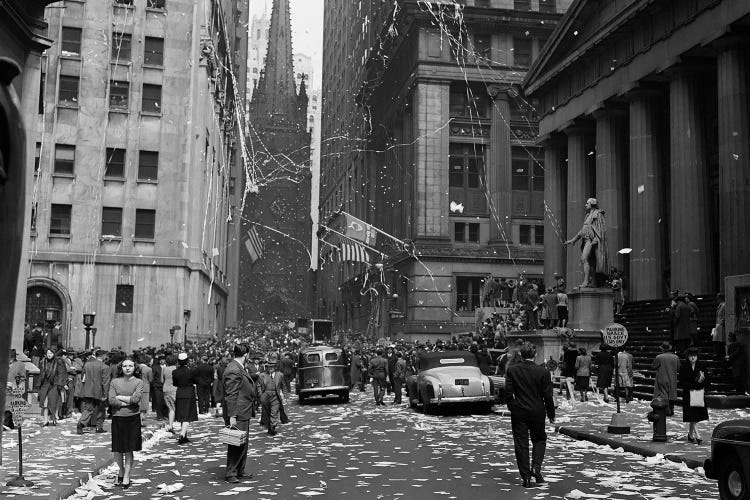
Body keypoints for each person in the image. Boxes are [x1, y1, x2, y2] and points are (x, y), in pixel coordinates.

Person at [505, 342, 555, 488]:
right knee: (539, 439)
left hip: (519, 410)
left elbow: (508, 392)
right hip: (538, 410)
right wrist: (551, 413)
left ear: (521, 354)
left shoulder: (513, 370)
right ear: (535, 354)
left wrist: (512, 407)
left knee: (521, 443)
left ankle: (525, 477)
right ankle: (536, 467)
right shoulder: (543, 372)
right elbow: (548, 396)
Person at [223, 343, 256, 483]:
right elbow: (231, 394)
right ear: (246, 354)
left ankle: (239, 470)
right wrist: (232, 416)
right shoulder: (234, 369)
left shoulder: (237, 367)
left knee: (242, 442)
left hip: (243, 411)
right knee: (236, 443)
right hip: (238, 412)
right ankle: (231, 473)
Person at [108, 357, 143, 489]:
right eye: (125, 366)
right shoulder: (115, 381)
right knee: (117, 450)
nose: (127, 368)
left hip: (133, 418)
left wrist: (120, 398)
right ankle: (121, 470)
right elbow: (111, 400)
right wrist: (127, 401)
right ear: (121, 368)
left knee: (128, 449)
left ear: (135, 368)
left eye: (130, 366)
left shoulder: (139, 382)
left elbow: (136, 399)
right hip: (118, 418)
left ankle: (126, 475)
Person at [564, 197, 608, 288]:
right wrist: (573, 240)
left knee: (584, 259)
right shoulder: (588, 216)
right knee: (591, 262)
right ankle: (593, 282)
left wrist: (597, 238)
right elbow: (583, 230)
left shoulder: (598, 214)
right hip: (586, 240)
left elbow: (601, 228)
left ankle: (586, 281)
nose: (585, 205)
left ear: (592, 204)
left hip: (591, 240)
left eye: (587, 203)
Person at [678, 347, 709, 444]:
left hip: (698, 393)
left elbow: (707, 379)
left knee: (695, 415)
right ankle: (698, 435)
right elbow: (681, 381)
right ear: (687, 357)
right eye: (691, 356)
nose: (692, 358)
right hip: (688, 393)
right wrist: (692, 385)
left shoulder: (702, 366)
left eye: (694, 356)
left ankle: (690, 434)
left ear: (697, 357)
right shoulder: (684, 367)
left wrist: (702, 381)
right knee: (692, 414)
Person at [78, 349, 111, 434]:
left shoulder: (87, 364)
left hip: (88, 390)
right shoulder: (105, 367)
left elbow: (83, 377)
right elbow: (105, 382)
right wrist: (106, 394)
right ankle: (99, 427)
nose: (107, 357)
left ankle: (81, 423)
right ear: (103, 356)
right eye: (106, 355)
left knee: (88, 409)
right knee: (101, 410)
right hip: (99, 392)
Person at [259, 354, 289, 435]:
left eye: (272, 366)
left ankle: (273, 426)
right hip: (265, 396)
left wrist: (285, 396)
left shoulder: (280, 375)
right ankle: (269, 426)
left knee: (274, 412)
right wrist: (260, 395)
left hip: (275, 396)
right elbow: (258, 386)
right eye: (269, 366)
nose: (270, 368)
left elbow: (283, 386)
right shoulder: (262, 375)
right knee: (267, 413)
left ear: (275, 367)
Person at [36, 348, 67, 427]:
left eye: (51, 353)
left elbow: (61, 374)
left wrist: (60, 384)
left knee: (53, 402)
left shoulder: (58, 362)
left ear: (54, 354)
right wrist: (38, 384)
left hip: (54, 384)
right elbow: (41, 374)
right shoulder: (43, 362)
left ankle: (54, 419)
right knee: (45, 404)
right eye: (48, 353)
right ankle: (45, 420)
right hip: (45, 384)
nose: (49, 355)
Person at [173, 352, 198, 444]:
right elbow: (195, 381)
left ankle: (184, 436)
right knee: (188, 415)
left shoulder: (175, 372)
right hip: (189, 393)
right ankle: (183, 434)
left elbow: (175, 383)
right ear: (187, 360)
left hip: (180, 393)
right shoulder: (191, 371)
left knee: (182, 415)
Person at [651, 342, 680, 415]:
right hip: (672, 378)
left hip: (662, 378)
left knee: (663, 393)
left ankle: (666, 410)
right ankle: (671, 408)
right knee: (672, 393)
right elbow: (679, 367)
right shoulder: (676, 357)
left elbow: (653, 366)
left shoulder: (659, 357)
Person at [162, 354, 178, 432]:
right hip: (174, 389)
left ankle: (170, 425)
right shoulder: (176, 368)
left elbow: (162, 380)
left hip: (165, 389)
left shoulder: (164, 369)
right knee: (176, 407)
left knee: (170, 409)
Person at [138, 354, 153, 427]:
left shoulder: (136, 367)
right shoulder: (148, 369)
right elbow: (150, 379)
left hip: (135, 387)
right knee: (143, 406)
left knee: (137, 404)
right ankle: (140, 421)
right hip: (145, 388)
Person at [151, 355, 166, 421]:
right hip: (157, 387)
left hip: (165, 387)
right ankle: (159, 416)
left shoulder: (167, 367)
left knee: (164, 402)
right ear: (159, 361)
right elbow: (153, 378)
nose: (162, 361)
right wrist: (154, 385)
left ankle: (165, 415)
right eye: (161, 360)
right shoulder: (155, 367)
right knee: (158, 401)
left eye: (163, 359)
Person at [714, 293, 726, 361]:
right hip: (718, 324)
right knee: (716, 339)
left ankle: (720, 353)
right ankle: (717, 353)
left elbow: (724, 316)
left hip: (720, 325)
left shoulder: (724, 305)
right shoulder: (720, 305)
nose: (717, 299)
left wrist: (721, 323)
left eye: (717, 298)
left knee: (720, 340)